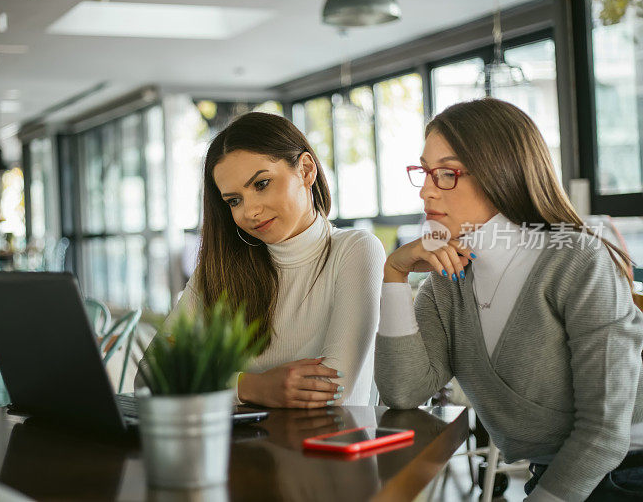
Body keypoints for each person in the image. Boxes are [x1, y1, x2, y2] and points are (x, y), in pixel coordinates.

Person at [376, 98, 643, 501]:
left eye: (446, 173)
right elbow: (403, 390)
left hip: (625, 472)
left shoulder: (574, 260)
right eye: (425, 172)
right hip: (558, 476)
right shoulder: (447, 280)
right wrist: (393, 275)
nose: (427, 190)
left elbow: (604, 432)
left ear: (500, 173)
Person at [163, 111, 385, 408]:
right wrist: (251, 386)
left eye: (261, 184)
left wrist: (216, 382)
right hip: (238, 451)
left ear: (306, 169)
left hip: (324, 449)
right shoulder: (220, 268)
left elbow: (330, 389)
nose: (250, 211)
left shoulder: (355, 249)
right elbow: (152, 377)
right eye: (234, 201)